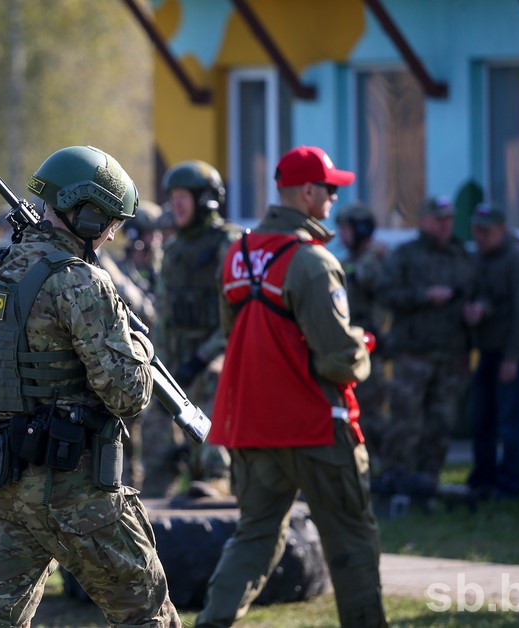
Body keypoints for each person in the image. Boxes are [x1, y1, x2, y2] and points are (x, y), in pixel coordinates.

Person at [0, 145, 179, 627]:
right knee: (147, 616)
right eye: (109, 223)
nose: (109, 235)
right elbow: (129, 394)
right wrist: (140, 348)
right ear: (84, 216)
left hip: (3, 484)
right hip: (75, 492)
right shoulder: (80, 281)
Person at [197, 145, 386, 628]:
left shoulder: (236, 255)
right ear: (306, 193)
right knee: (351, 538)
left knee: (255, 536)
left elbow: (232, 334)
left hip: (252, 428)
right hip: (315, 426)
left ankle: (213, 622)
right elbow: (340, 361)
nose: (335, 197)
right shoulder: (312, 262)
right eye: (330, 189)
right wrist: (362, 346)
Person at [146, 160, 240, 497]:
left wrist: (201, 358)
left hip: (219, 352)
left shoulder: (228, 243)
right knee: (151, 397)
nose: (177, 204)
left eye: (185, 196)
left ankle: (217, 474)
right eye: (173, 196)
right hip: (179, 355)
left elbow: (237, 315)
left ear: (205, 200)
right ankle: (156, 487)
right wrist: (160, 366)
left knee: (212, 378)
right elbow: (165, 316)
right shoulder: (172, 251)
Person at [372, 196, 475, 499]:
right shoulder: (405, 255)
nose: (445, 225)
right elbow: (385, 293)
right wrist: (424, 296)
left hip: (450, 354)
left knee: (440, 424)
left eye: (449, 219)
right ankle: (395, 482)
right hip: (413, 353)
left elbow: (472, 293)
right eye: (439, 219)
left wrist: (474, 316)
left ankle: (427, 483)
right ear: (424, 220)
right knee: (405, 421)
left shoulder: (460, 256)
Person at [464, 203, 519, 500]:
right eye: (477, 231)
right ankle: (483, 478)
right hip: (487, 350)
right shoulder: (479, 260)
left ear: (502, 230)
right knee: (482, 418)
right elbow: (480, 296)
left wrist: (512, 358)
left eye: (487, 232)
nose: (481, 237)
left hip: (513, 354)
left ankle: (512, 482)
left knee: (510, 421)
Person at [335, 204, 389, 463]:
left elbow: (369, 279)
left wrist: (368, 258)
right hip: (351, 346)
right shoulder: (350, 261)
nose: (343, 236)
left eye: (346, 229)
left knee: (373, 412)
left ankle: (379, 464)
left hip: (372, 347)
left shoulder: (374, 259)